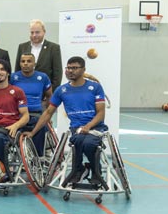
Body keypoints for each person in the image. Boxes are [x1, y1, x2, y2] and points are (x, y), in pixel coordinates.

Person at [27, 56, 108, 188]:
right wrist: (33, 132)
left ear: (83, 70)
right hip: (77, 129)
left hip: (95, 127)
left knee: (87, 142)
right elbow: (48, 113)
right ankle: (80, 169)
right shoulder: (61, 90)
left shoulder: (95, 87)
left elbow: (101, 113)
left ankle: (95, 171)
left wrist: (88, 126)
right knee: (78, 140)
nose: (70, 71)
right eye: (68, 68)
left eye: (74, 68)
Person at [10, 53, 52, 156]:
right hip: (18, 115)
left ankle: (38, 157)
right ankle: (18, 156)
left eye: (29, 61)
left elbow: (50, 96)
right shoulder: (13, 77)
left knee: (41, 127)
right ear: (19, 63)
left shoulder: (43, 77)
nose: (25, 64)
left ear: (34, 63)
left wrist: (48, 115)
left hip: (36, 113)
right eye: (23, 61)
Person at [14, 19, 63, 91]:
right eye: (32, 32)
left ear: (44, 32)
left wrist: (51, 93)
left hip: (45, 92)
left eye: (37, 32)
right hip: (24, 91)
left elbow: (57, 73)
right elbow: (17, 69)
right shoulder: (22, 47)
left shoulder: (53, 48)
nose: (34, 35)